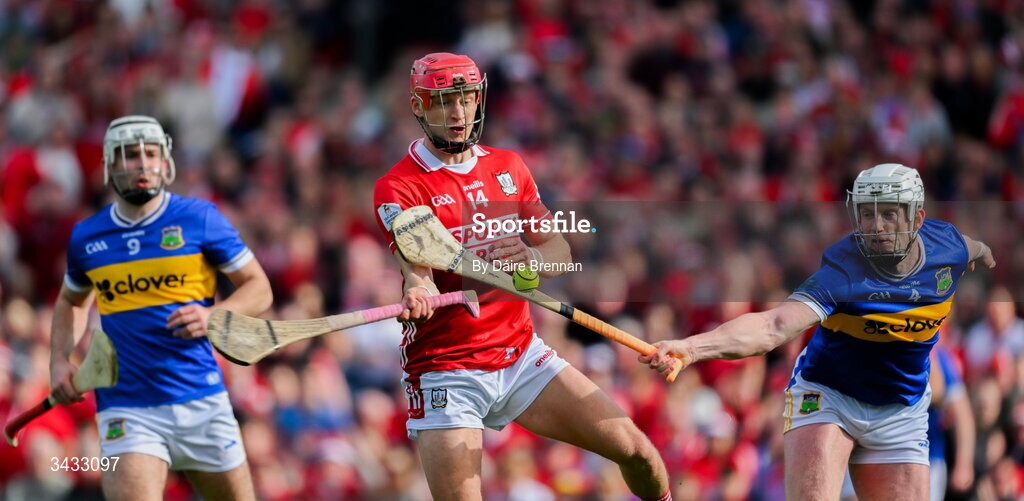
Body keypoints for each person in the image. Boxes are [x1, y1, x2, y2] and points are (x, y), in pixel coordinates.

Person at [373, 53, 671, 501]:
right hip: (448, 370)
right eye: (444, 101)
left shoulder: (508, 167)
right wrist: (419, 294)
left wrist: (530, 259)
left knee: (638, 452)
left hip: (520, 354)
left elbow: (559, 251)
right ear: (418, 105)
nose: (458, 113)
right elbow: (417, 273)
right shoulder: (400, 186)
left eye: (467, 98)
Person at [642, 163, 996, 500]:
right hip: (830, 396)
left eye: (889, 213)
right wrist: (691, 348)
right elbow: (772, 326)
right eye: (867, 213)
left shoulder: (947, 246)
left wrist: (986, 254)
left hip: (902, 408)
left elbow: (974, 248)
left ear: (917, 218)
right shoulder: (843, 272)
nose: (876, 226)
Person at [49, 115, 273, 501]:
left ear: (165, 161)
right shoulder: (87, 236)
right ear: (109, 166)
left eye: (151, 153)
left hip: (201, 398)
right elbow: (72, 300)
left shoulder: (199, 218)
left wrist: (213, 315)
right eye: (130, 155)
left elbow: (259, 288)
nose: (143, 163)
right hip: (127, 407)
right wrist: (58, 360)